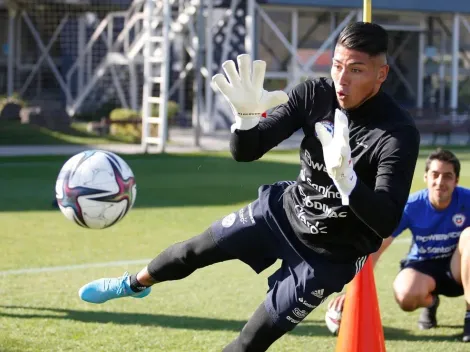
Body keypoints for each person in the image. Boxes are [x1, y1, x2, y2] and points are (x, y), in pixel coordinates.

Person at [78, 22, 420, 351]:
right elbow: (248, 152)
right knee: (191, 251)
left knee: (251, 341)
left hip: (331, 257)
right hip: (284, 213)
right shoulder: (316, 94)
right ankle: (133, 284)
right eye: (337, 66)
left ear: (381, 74)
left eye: (356, 70)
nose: (341, 79)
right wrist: (244, 123)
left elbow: (386, 221)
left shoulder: (398, 134)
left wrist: (346, 179)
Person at [327, 148, 470, 342]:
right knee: (405, 296)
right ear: (426, 177)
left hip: (459, 269)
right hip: (424, 267)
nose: (440, 182)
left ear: (456, 180)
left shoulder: (467, 199)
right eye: (435, 175)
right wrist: (353, 289)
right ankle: (431, 302)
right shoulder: (412, 206)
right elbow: (378, 244)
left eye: (447, 176)